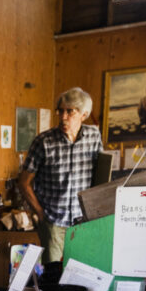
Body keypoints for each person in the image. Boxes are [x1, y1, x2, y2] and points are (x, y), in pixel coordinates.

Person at [17, 87, 102, 263]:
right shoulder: (43, 141)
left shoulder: (94, 136)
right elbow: (24, 182)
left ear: (83, 115)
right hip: (53, 221)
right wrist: (40, 213)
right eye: (61, 111)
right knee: (53, 275)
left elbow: (100, 176)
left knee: (80, 272)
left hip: (82, 222)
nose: (63, 117)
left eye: (70, 111)